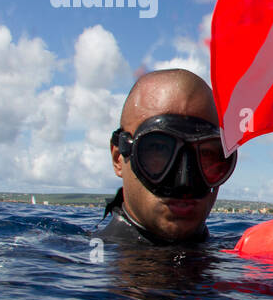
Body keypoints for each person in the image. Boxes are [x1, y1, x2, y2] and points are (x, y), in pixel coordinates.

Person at [96, 69, 237, 245]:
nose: (184, 183)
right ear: (118, 158)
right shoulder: (78, 260)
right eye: (159, 149)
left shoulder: (250, 258)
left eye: (206, 153)